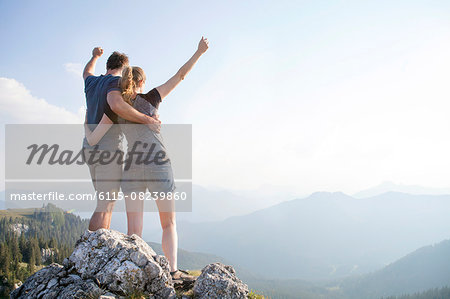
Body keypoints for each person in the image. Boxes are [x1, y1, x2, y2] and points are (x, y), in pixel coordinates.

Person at [85, 36, 209, 283]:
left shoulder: (116, 108)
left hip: (132, 168)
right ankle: (173, 272)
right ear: (142, 82)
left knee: (135, 233)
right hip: (157, 163)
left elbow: (93, 138)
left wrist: (85, 126)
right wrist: (199, 52)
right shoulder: (152, 98)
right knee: (168, 223)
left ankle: (133, 273)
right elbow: (180, 75)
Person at [83, 48, 160, 232]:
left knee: (103, 201)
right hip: (108, 148)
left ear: (108, 65)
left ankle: (93, 249)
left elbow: (86, 72)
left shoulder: (92, 82)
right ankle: (95, 249)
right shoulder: (116, 83)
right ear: (124, 68)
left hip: (89, 146)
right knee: (106, 204)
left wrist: (94, 56)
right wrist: (147, 120)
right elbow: (116, 105)